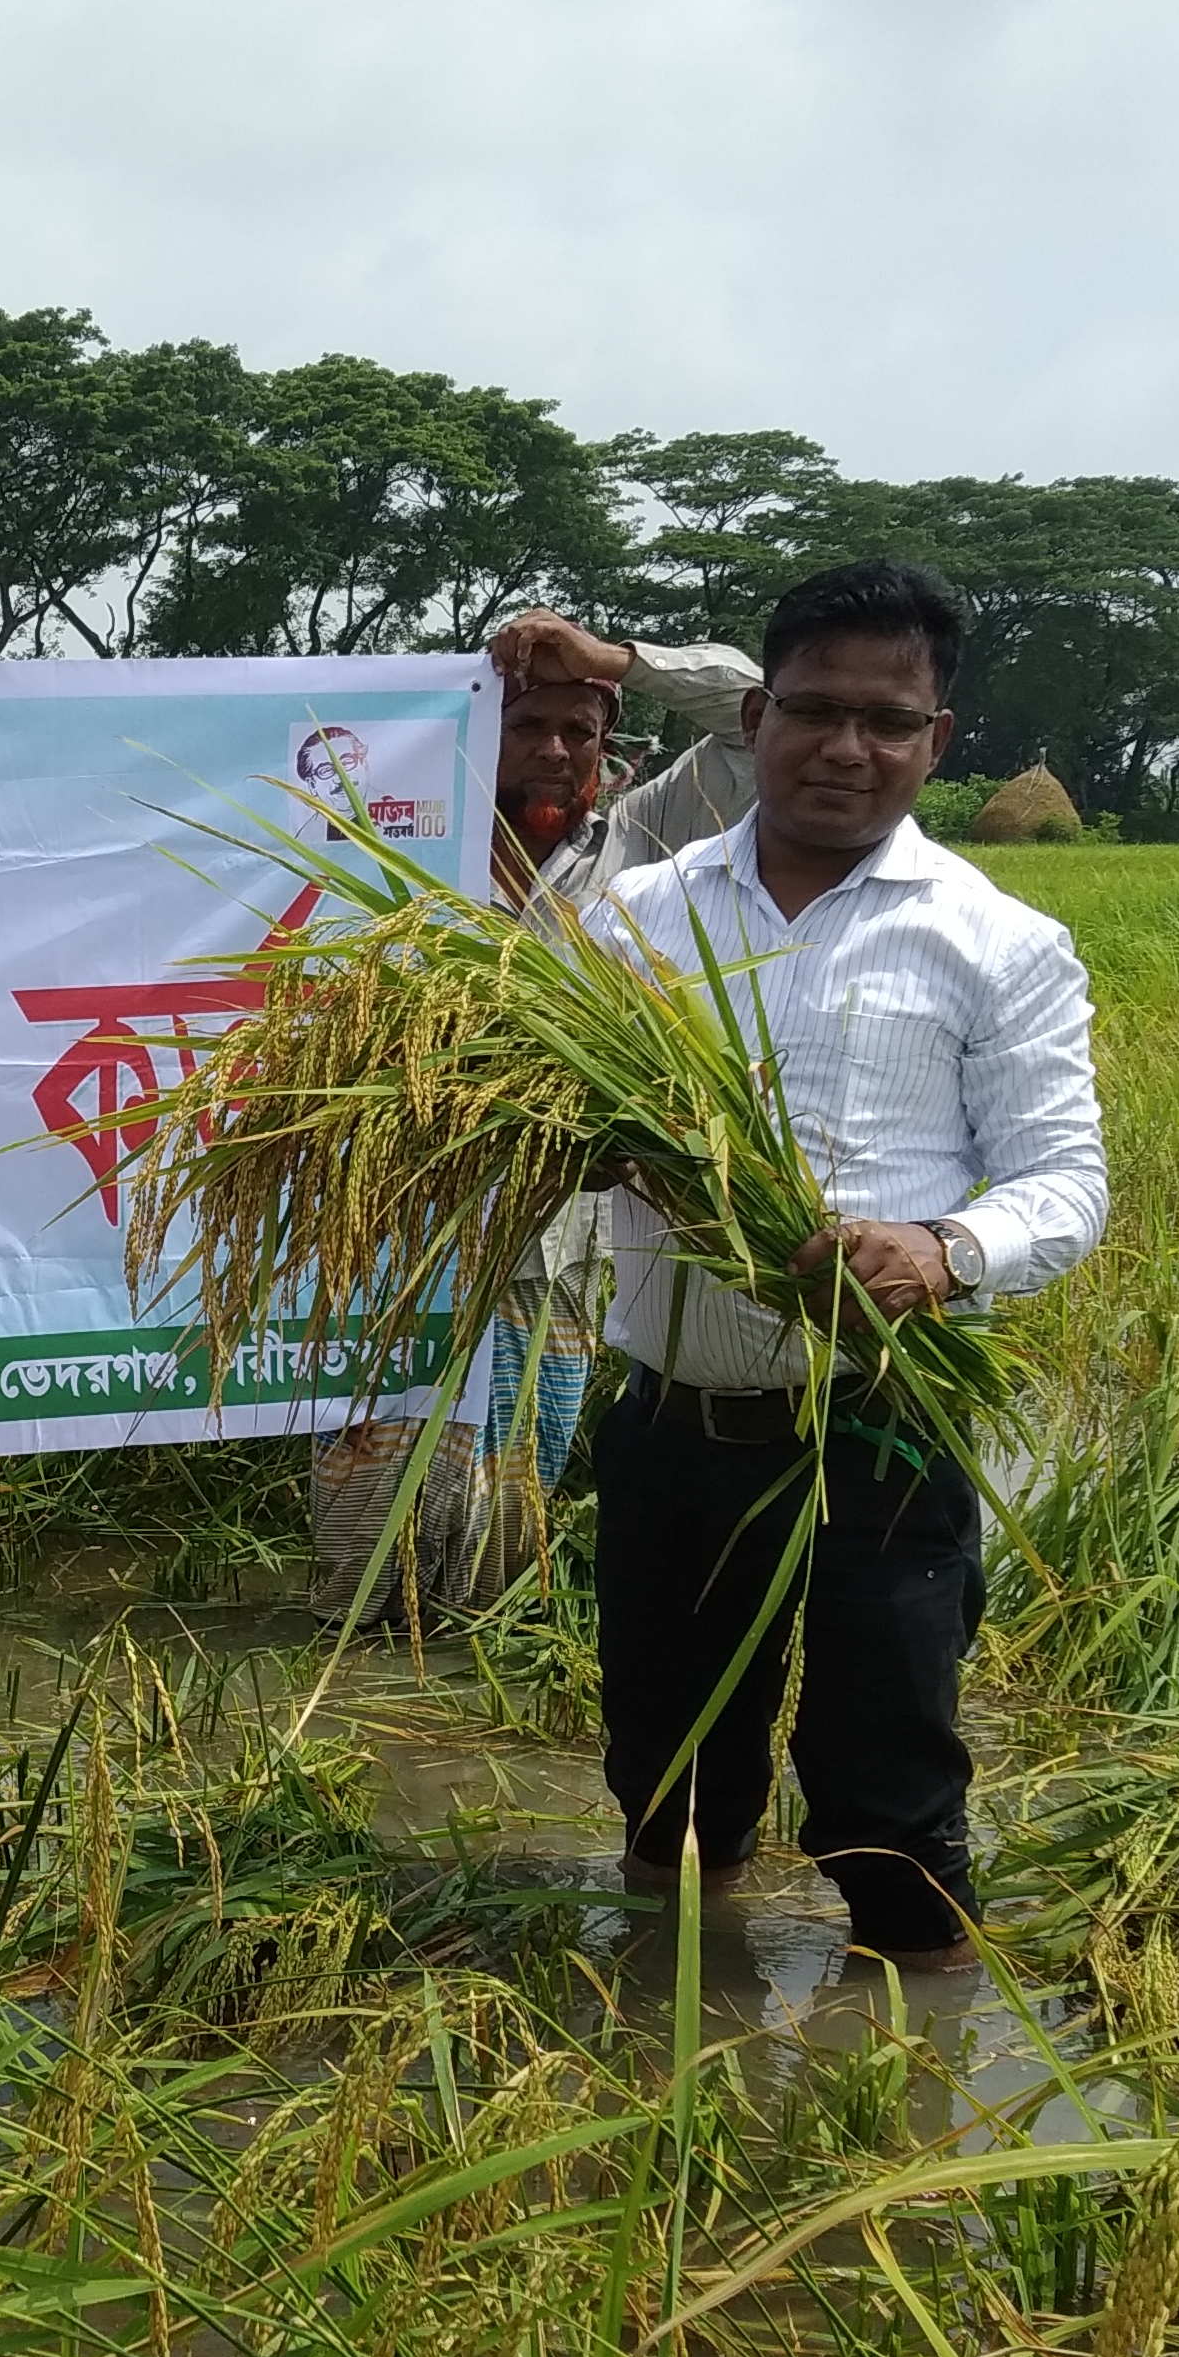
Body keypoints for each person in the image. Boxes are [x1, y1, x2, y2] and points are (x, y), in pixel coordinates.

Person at [580, 558, 1106, 1972]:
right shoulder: (635, 920)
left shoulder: (1000, 941)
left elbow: (1068, 1184)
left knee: (891, 1810)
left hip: (882, 1425)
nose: (847, 749)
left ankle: (911, 2100)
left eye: (889, 722)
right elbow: (555, 1124)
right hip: (672, 1425)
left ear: (937, 743)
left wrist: (944, 1248)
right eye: (815, 711)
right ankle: (673, 2038)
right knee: (670, 1785)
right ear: (753, 717)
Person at [306, 617, 766, 1626]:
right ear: (475, 733)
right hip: (396, 1230)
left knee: (509, 1501)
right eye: (528, 727)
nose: (555, 750)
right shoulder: (400, 848)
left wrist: (616, 662)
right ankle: (347, 1667)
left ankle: (474, 1671)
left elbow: (753, 724)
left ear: (609, 748)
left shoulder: (644, 841)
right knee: (363, 1499)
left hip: (555, 1242)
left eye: (580, 731)